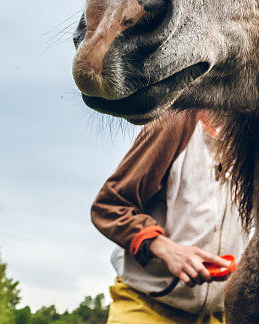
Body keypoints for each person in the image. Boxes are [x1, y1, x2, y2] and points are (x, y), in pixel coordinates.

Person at [91, 110, 248, 323]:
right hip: (148, 307)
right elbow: (110, 205)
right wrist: (167, 249)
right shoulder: (174, 121)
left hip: (219, 315)